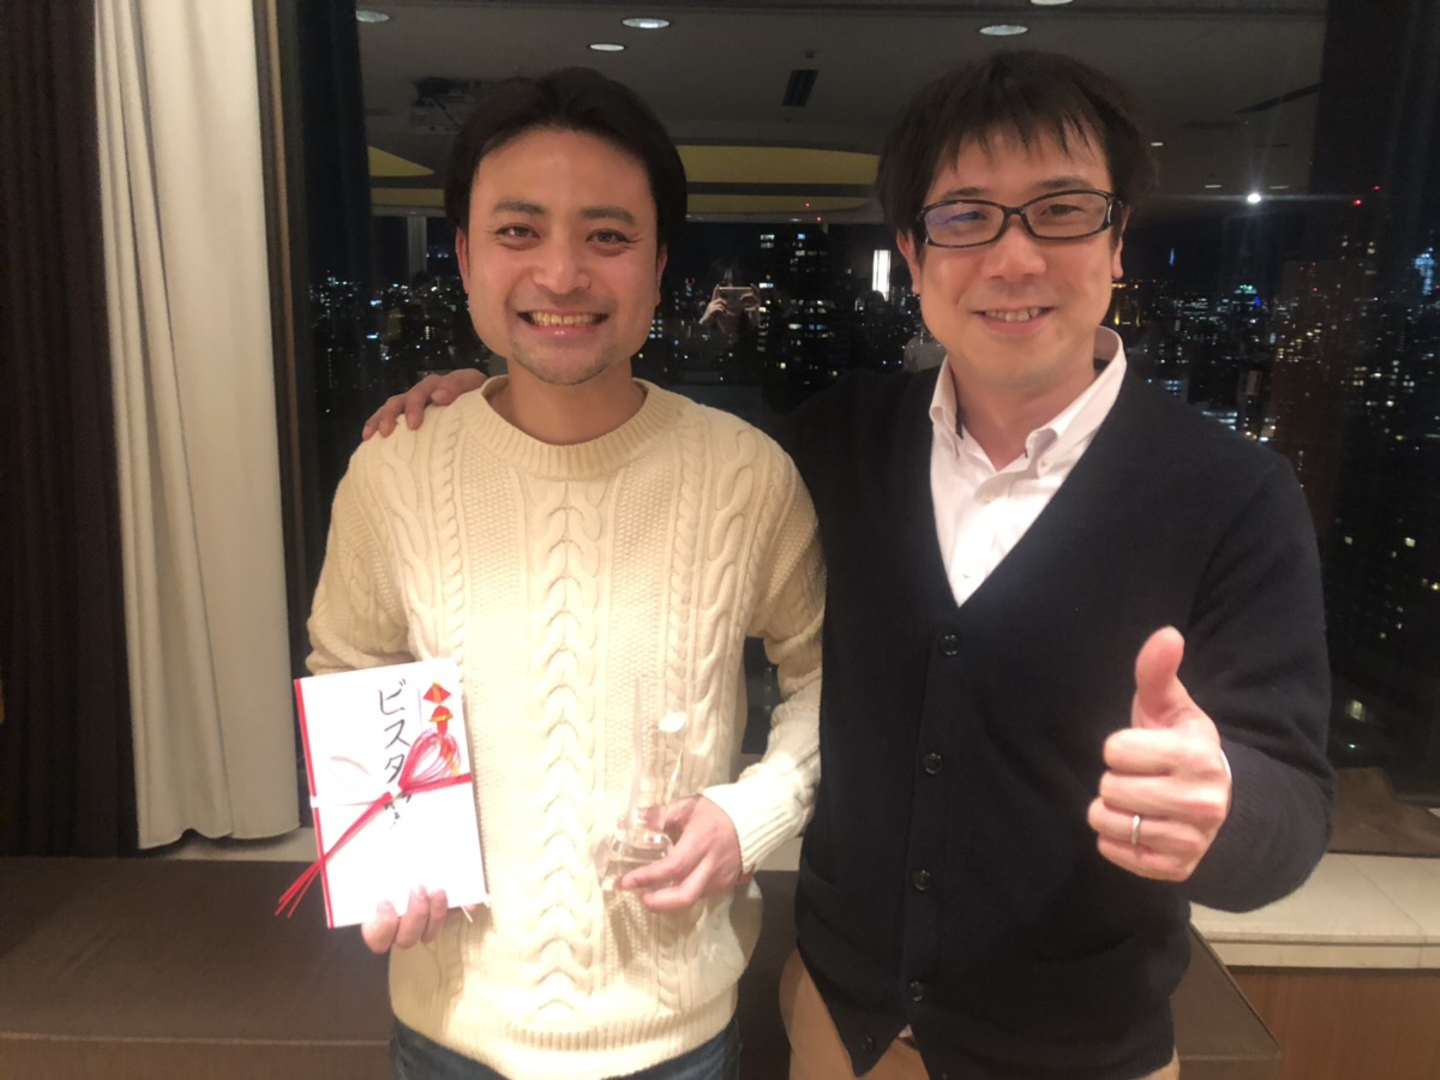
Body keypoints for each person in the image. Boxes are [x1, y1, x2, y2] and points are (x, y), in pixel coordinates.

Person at [365, 51, 1332, 1080]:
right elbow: (645, 461)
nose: (1014, 259)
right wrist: (501, 404)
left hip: (1082, 1054)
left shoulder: (1231, 494)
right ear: (913, 252)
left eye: (1060, 212)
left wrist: (1220, 809)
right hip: (841, 1033)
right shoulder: (842, 443)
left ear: (1117, 238)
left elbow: (1292, 809)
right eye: (966, 217)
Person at [319, 67, 824, 1080]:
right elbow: (354, 666)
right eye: (518, 231)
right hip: (451, 1029)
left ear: (658, 263)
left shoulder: (746, 475)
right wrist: (389, 855)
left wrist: (755, 811)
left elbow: (824, 675)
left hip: (678, 1034)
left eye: (607, 235)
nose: (560, 274)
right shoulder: (395, 471)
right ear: (467, 258)